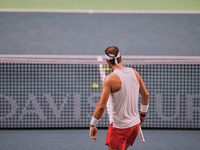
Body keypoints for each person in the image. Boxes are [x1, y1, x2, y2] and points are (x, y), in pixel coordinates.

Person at [89, 46, 149, 150]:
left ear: (107, 61)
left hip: (120, 128)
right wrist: (143, 115)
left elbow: (101, 106)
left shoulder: (110, 79)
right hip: (135, 126)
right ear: (120, 57)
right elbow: (146, 95)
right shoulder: (134, 72)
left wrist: (93, 124)